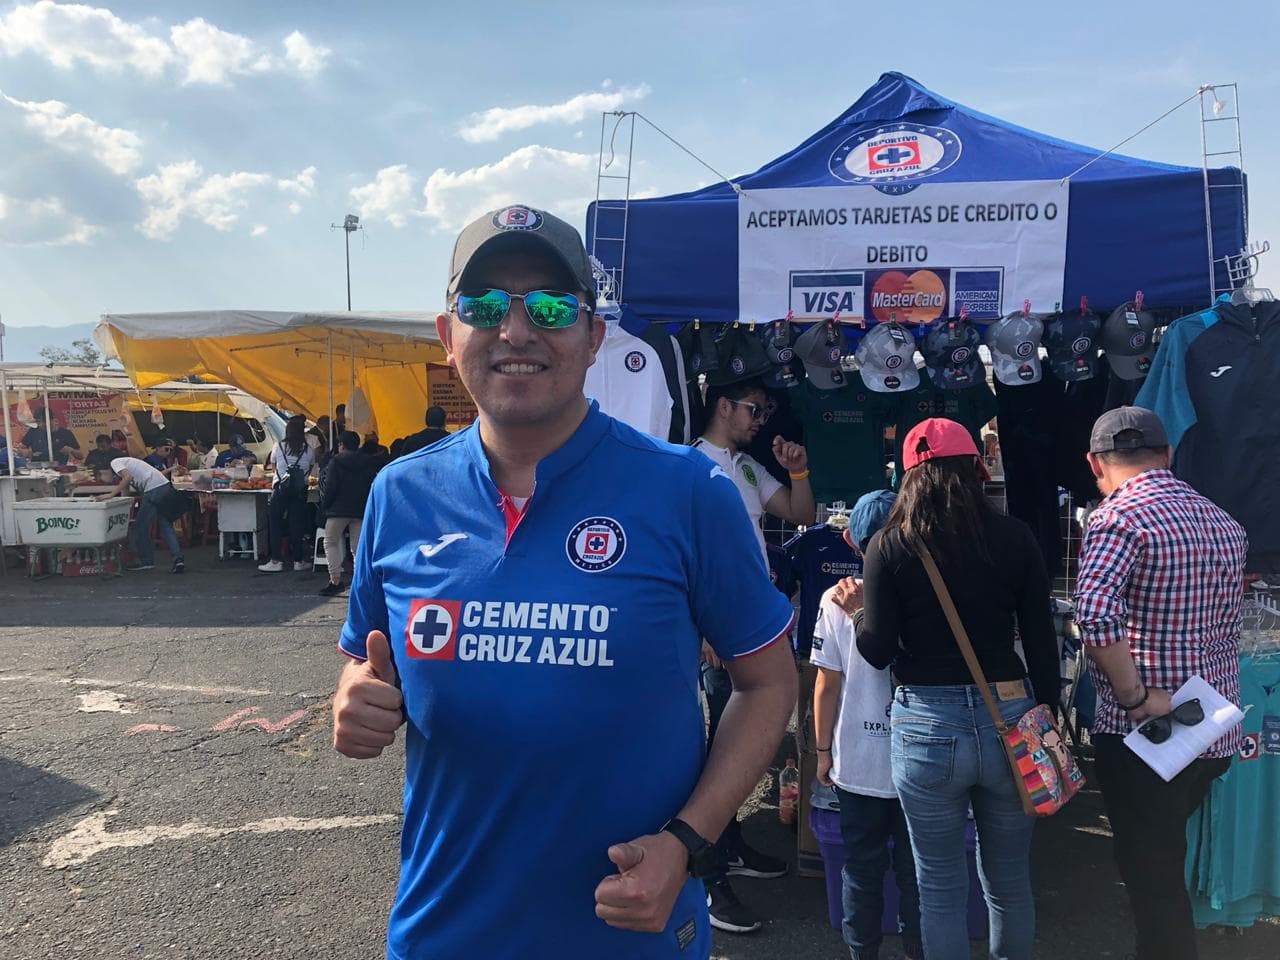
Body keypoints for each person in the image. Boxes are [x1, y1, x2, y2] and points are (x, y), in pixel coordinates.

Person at [331, 204, 796, 960]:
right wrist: (352, 697)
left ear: (592, 338)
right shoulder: (400, 495)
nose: (517, 331)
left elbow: (767, 684)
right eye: (484, 306)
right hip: (446, 930)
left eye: (551, 306)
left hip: (628, 933)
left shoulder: (687, 492)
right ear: (448, 338)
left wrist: (687, 841)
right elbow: (368, 658)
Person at [855, 418, 1058, 960]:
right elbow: (1041, 637)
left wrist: (857, 617)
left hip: (926, 724)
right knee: (1009, 879)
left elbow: (876, 649)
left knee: (940, 886)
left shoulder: (889, 545)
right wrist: (1049, 713)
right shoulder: (1015, 537)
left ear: (907, 476)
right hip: (1011, 714)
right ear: (976, 468)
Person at [1074, 407, 1247, 960]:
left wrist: (1134, 697)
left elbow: (1096, 616)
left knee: (1152, 877)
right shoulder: (1223, 522)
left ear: (1095, 464)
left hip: (1148, 733)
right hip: (1213, 726)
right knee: (1163, 860)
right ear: (1167, 455)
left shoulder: (1116, 518)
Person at [690, 376, 814, 932]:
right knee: (717, 749)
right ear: (723, 406)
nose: (762, 420)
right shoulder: (690, 463)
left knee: (744, 744)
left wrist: (798, 470)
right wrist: (707, 628)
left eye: (765, 411)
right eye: (754, 410)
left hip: (753, 623)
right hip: (719, 628)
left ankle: (730, 841)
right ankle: (707, 877)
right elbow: (689, 554)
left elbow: (801, 514)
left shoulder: (746, 466)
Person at [813, 490, 921, 960]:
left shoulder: (835, 599)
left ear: (851, 542)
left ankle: (863, 953)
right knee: (920, 872)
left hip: (857, 758)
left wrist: (821, 751)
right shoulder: (927, 591)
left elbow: (826, 684)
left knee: (861, 867)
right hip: (921, 754)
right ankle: (921, 950)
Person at [97, 455, 184, 573]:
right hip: (164, 486)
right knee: (165, 524)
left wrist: (110, 495)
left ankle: (146, 561)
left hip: (153, 489)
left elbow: (128, 477)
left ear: (104, 470)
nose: (103, 480)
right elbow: (125, 489)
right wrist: (122, 505)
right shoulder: (124, 464)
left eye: (101, 476)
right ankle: (178, 559)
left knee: (140, 527)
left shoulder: (115, 462)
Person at [317, 431, 374, 597]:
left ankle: (335, 580)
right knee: (357, 548)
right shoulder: (367, 461)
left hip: (338, 510)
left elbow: (330, 487)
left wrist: (324, 506)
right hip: (360, 509)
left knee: (330, 542)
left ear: (342, 445)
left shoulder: (336, 461)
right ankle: (359, 582)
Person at [258, 415, 316, 573]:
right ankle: (298, 561)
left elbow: (274, 467)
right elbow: (308, 471)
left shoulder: (278, 446)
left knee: (275, 522)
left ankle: (276, 560)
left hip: (280, 488)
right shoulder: (309, 450)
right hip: (300, 490)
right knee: (297, 524)